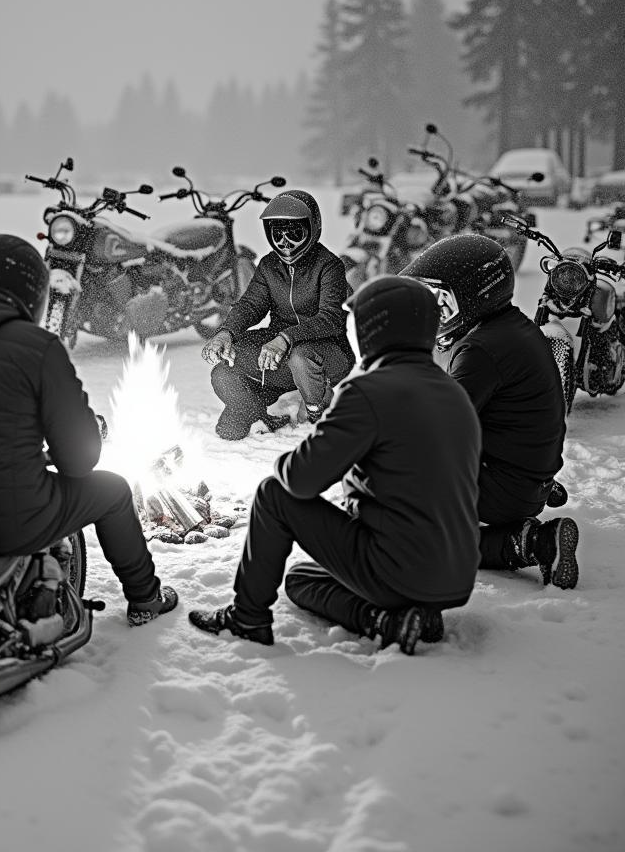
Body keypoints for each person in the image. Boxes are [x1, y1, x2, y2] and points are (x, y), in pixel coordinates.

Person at [0, 233, 178, 626]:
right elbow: (79, 460)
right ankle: (146, 599)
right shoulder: (37, 347)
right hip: (10, 516)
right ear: (31, 291)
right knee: (112, 491)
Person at [189, 275, 481, 654]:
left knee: (272, 494)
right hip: (456, 572)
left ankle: (247, 618)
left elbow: (299, 480)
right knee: (301, 580)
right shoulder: (453, 392)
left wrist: (331, 426)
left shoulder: (369, 391)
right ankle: (399, 617)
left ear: (373, 330)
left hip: (396, 565)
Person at [401, 235, 576, 588]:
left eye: (441, 302)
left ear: (472, 295)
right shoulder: (510, 325)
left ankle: (532, 543)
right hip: (528, 470)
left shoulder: (480, 350)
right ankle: (527, 494)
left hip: (508, 486)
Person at [201, 189, 355, 439]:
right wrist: (225, 334)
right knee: (223, 374)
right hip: (278, 356)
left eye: (294, 233)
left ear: (312, 228)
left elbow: (331, 318)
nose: (285, 242)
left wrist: (284, 338)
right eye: (278, 233)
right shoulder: (268, 265)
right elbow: (250, 305)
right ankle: (255, 410)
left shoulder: (329, 266)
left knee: (300, 357)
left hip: (326, 353)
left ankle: (316, 411)